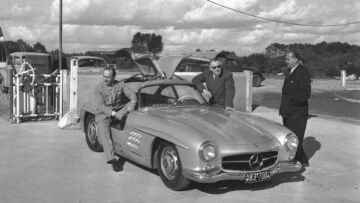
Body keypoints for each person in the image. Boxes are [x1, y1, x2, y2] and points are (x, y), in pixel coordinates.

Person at [93, 66, 137, 172]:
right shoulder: (98, 88)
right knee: (105, 135)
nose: (105, 79)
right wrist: (114, 114)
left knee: (130, 104)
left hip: (119, 111)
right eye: (104, 76)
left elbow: (131, 93)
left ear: (114, 77)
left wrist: (133, 102)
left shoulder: (120, 84)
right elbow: (101, 106)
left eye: (108, 77)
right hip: (104, 114)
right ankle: (112, 160)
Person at [279, 50, 311, 167]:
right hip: (287, 111)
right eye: (286, 59)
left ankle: (294, 161)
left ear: (295, 59)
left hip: (297, 113)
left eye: (288, 59)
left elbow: (305, 94)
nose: (286, 61)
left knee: (294, 138)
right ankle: (301, 159)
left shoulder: (303, 72)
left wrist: (292, 103)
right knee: (290, 138)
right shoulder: (290, 71)